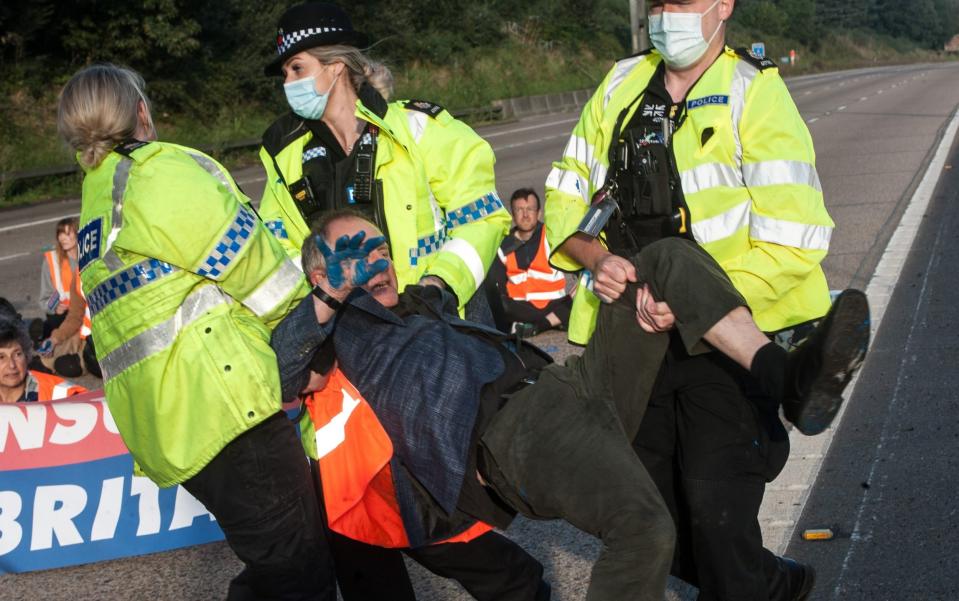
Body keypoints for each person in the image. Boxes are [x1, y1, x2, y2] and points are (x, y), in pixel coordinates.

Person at [272, 211, 868, 601]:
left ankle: (785, 375)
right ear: (322, 275)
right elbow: (277, 371)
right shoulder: (336, 339)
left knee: (661, 257)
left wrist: (604, 266)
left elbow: (489, 239)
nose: (372, 264)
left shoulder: (424, 301)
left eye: (378, 249)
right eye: (351, 257)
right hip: (510, 431)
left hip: (567, 384)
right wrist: (330, 296)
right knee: (643, 529)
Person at [543, 0, 861, 598]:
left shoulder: (753, 91)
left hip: (723, 347)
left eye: (682, 3)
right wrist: (595, 257)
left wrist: (691, 304)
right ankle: (768, 583)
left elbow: (796, 237)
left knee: (717, 519)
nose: (667, 16)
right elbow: (565, 190)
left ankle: (786, 383)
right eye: (658, 4)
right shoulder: (619, 84)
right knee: (655, 526)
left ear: (722, 7)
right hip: (629, 343)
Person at [258, 4, 543, 599]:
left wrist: (435, 289)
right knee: (351, 518)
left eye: (296, 67)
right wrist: (305, 328)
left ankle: (520, 587)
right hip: (345, 365)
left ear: (337, 68)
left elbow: (480, 214)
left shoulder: (418, 129)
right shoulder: (285, 156)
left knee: (435, 509)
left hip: (422, 344)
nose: (289, 84)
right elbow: (281, 258)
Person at [57, 64, 334, 600]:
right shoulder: (158, 174)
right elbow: (262, 274)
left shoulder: (96, 200)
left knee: (274, 565)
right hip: (227, 409)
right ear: (140, 110)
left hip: (172, 425)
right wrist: (314, 349)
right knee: (299, 570)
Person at [487, 188, 572, 336]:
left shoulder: (552, 236)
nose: (525, 215)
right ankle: (553, 322)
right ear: (513, 215)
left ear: (538, 213)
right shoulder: (503, 245)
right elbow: (497, 289)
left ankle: (538, 326)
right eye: (519, 210)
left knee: (587, 288)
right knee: (490, 298)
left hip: (554, 304)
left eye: (530, 209)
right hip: (520, 308)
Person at [0, 318, 86, 403]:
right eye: (1, 357)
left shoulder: (61, 394)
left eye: (17, 354)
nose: (12, 365)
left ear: (26, 356)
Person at [36, 217, 81, 337]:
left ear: (79, 234)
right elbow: (45, 300)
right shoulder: (52, 261)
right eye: (60, 234)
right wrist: (55, 308)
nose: (62, 238)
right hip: (65, 315)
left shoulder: (89, 256)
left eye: (67, 233)